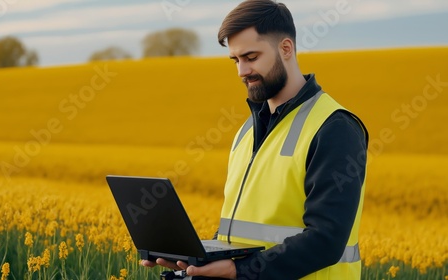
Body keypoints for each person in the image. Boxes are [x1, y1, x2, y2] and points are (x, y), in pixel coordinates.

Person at [142, 0, 368, 279]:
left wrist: (239, 270)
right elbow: (242, 229)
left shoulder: (334, 127)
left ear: (286, 48)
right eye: (236, 60)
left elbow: (326, 240)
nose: (241, 71)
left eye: (251, 57)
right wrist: (198, 259)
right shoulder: (246, 131)